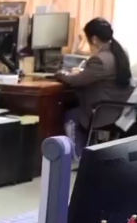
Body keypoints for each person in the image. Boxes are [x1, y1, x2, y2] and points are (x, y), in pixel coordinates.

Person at [56, 18, 135, 157]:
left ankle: (79, 159)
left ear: (94, 39)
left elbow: (76, 81)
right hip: (119, 110)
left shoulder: (99, 59)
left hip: (103, 112)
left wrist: (60, 73)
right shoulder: (120, 53)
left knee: (71, 115)